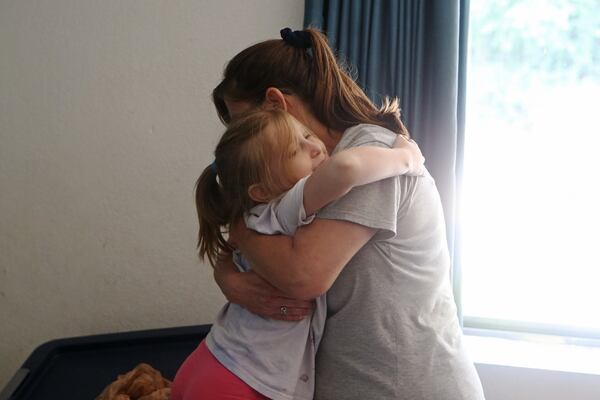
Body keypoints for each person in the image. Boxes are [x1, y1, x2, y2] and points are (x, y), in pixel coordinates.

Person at [210, 28, 486, 400]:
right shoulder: (301, 181)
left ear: (275, 104)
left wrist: (240, 230)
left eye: (243, 126)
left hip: (407, 386)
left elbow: (303, 274)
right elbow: (246, 229)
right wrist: (228, 276)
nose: (244, 144)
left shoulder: (371, 156)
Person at [172, 108, 425, 400]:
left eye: (306, 134)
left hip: (212, 361)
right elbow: (346, 169)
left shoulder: (251, 217)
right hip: (242, 380)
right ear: (261, 190)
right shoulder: (282, 207)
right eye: (296, 150)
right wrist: (406, 159)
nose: (315, 147)